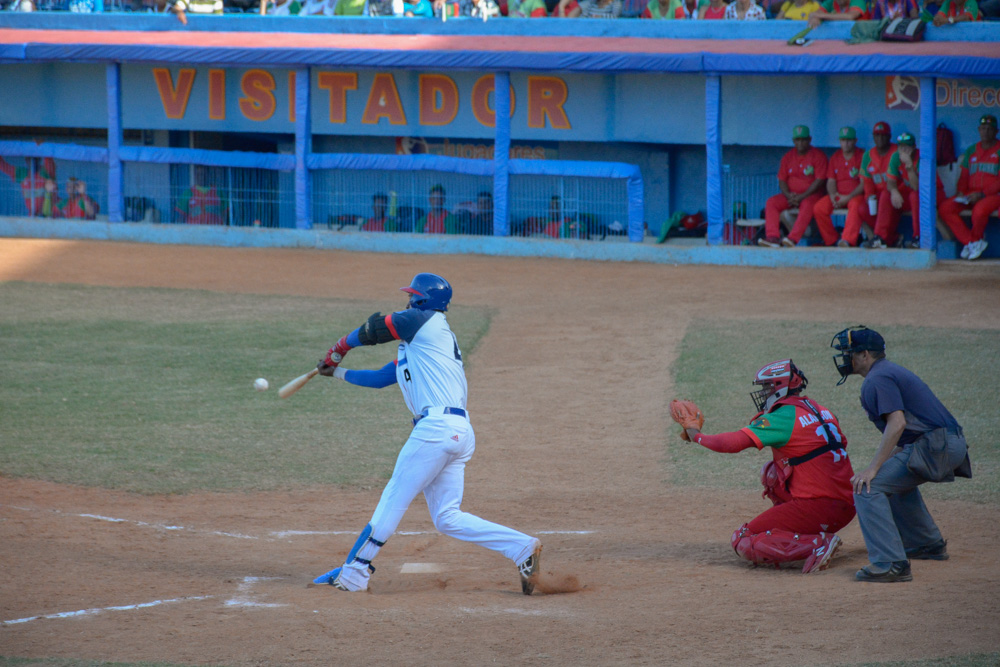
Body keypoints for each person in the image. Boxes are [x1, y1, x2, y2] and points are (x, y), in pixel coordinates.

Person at [311, 273, 543, 595]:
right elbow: (380, 378)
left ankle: (354, 573)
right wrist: (337, 372)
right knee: (447, 517)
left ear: (422, 300)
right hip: (457, 432)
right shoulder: (423, 345)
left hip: (436, 430)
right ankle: (522, 548)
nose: (408, 300)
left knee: (394, 497)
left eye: (412, 295)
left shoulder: (424, 320)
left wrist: (339, 349)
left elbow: (375, 328)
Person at [669, 360, 855, 574]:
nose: (763, 393)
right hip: (848, 504)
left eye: (766, 387)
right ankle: (802, 529)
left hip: (820, 507)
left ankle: (817, 544)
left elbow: (732, 444)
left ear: (779, 387)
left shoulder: (783, 417)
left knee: (743, 539)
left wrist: (695, 434)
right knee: (772, 474)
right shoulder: (821, 410)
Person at [831, 326, 971, 583]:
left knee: (868, 488)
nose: (845, 358)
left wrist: (872, 469)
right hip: (945, 443)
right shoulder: (887, 372)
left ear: (864, 355)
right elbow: (908, 430)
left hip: (936, 446)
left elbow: (898, 424)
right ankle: (925, 544)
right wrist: (884, 463)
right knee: (890, 479)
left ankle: (890, 563)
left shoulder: (878, 378)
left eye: (849, 353)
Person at [938, 114, 1000, 262]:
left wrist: (983, 194)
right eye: (983, 128)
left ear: (996, 132)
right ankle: (972, 242)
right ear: (979, 130)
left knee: (979, 211)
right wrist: (961, 192)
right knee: (946, 208)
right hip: (971, 194)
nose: (986, 132)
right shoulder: (971, 150)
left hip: (993, 195)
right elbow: (964, 175)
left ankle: (975, 241)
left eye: (990, 129)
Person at [759, 125, 828, 248]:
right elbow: (782, 180)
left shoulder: (818, 155)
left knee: (808, 204)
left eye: (803, 140)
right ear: (793, 141)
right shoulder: (788, 157)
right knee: (771, 202)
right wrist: (789, 195)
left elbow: (820, 181)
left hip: (811, 195)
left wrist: (801, 196)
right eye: (797, 140)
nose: (800, 143)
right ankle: (773, 237)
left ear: (810, 140)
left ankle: (792, 239)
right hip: (792, 195)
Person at [843, 121, 896, 247]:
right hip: (879, 197)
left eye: (883, 135)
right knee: (862, 208)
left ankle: (879, 237)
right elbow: (867, 181)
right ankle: (891, 239)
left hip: (896, 196)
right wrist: (869, 196)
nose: (880, 138)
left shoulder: (896, 152)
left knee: (885, 195)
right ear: (873, 137)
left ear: (889, 137)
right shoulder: (868, 155)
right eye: (877, 135)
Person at [813, 126, 865, 248]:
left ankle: (847, 240)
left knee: (856, 206)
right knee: (818, 208)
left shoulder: (862, 156)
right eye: (843, 140)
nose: (845, 144)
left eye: (849, 140)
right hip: (838, 196)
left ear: (855, 141)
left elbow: (864, 183)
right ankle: (832, 240)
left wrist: (847, 197)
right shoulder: (835, 157)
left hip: (855, 196)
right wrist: (832, 196)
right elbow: (831, 181)